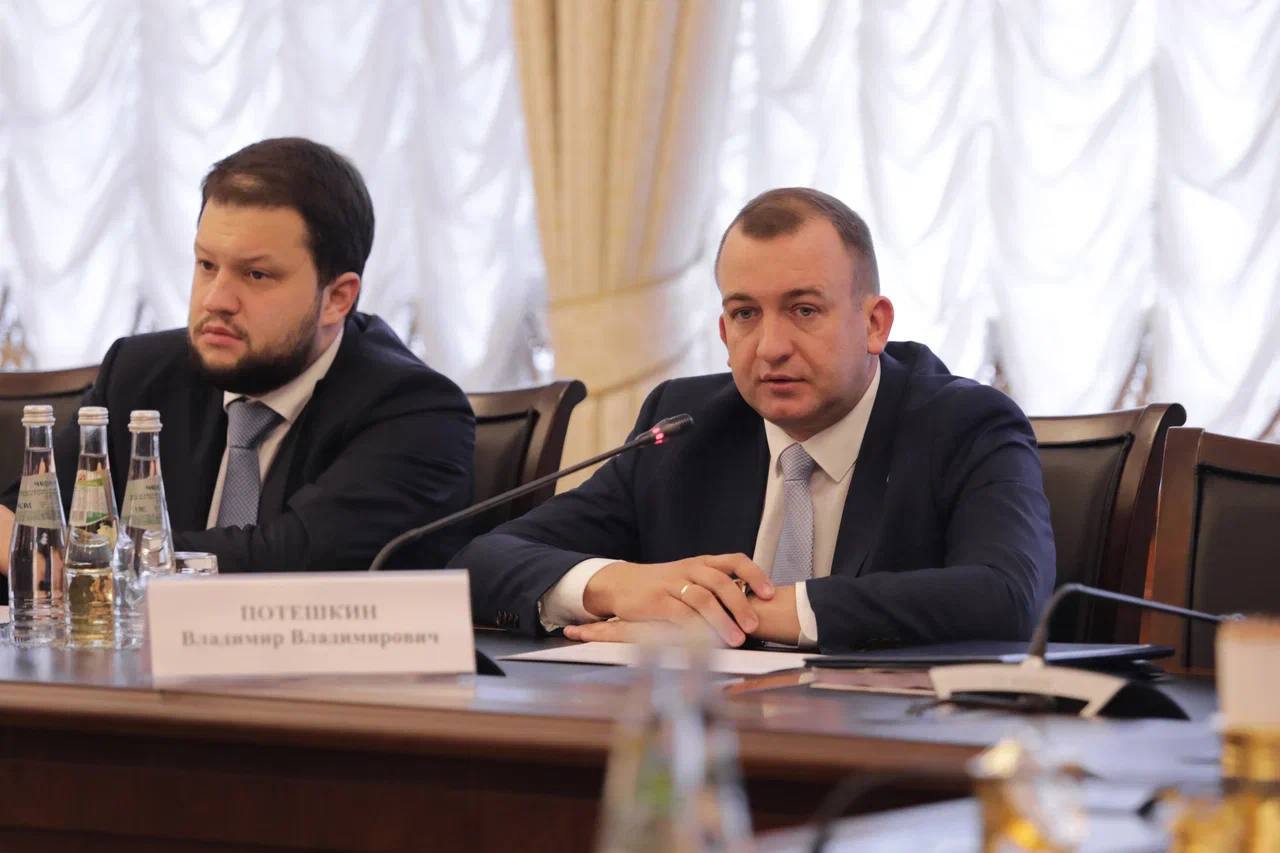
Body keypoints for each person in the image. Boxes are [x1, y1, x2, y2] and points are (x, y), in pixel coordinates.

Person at [452, 188, 1055, 653]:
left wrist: (726, 615)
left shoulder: (964, 424)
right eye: (745, 314)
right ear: (723, 331)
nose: (771, 347)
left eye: (804, 310)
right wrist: (618, 586)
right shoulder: (685, 428)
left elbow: (1007, 596)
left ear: (874, 324)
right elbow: (480, 562)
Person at [1, 137, 474, 576]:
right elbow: (25, 519)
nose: (216, 300)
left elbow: (287, 560)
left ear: (337, 298)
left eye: (256, 275)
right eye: (207, 265)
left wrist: (77, 556)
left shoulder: (416, 412)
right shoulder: (141, 374)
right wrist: (38, 546)